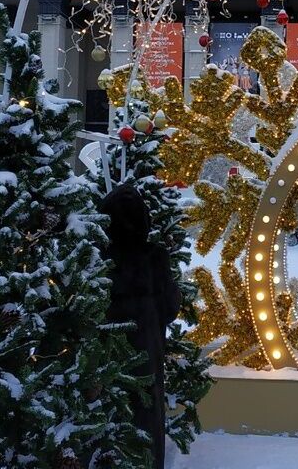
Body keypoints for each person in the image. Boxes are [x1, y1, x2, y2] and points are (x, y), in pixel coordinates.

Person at [100, 183, 181, 469]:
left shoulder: (98, 256)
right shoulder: (154, 257)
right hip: (146, 350)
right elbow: (171, 307)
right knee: (145, 416)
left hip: (101, 355)